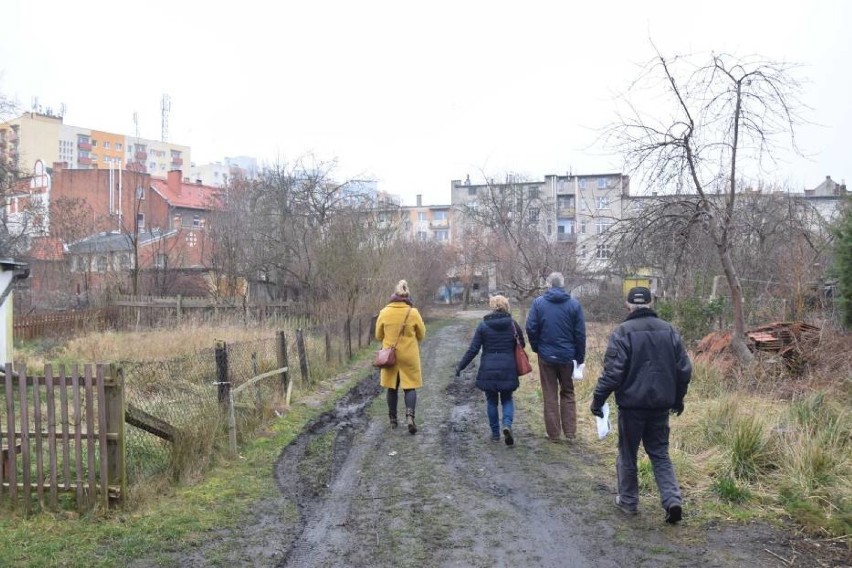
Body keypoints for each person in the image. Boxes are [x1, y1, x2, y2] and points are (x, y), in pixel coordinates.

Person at [590, 286, 692, 524]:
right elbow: (684, 371)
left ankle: (628, 501)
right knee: (660, 454)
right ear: (651, 303)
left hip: (631, 407)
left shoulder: (622, 332)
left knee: (627, 454)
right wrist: (678, 399)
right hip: (660, 406)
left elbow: (613, 374)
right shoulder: (670, 331)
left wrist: (598, 399)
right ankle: (672, 500)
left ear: (628, 305)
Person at [455, 295, 524, 446]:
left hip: (488, 369)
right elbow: (522, 345)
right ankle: (507, 424)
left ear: (492, 307)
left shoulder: (483, 326)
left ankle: (495, 434)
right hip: (508, 368)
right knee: (507, 398)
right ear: (506, 306)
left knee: (491, 400)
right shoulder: (513, 324)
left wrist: (461, 365)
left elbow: (473, 349)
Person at [525, 272, 586, 442]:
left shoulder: (538, 303)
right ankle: (570, 433)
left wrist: (537, 348)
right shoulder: (574, 304)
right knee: (568, 392)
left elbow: (531, 328)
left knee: (549, 393)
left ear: (549, 285)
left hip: (546, 356)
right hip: (568, 357)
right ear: (562, 285)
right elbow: (580, 334)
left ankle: (553, 434)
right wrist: (579, 359)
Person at [375, 279, 426, 434]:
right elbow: (421, 334)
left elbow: (378, 335)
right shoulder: (413, 312)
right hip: (409, 355)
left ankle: (393, 420)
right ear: (407, 296)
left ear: (394, 295)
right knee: (410, 387)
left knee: (392, 387)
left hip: (390, 356)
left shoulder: (384, 312)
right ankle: (410, 417)